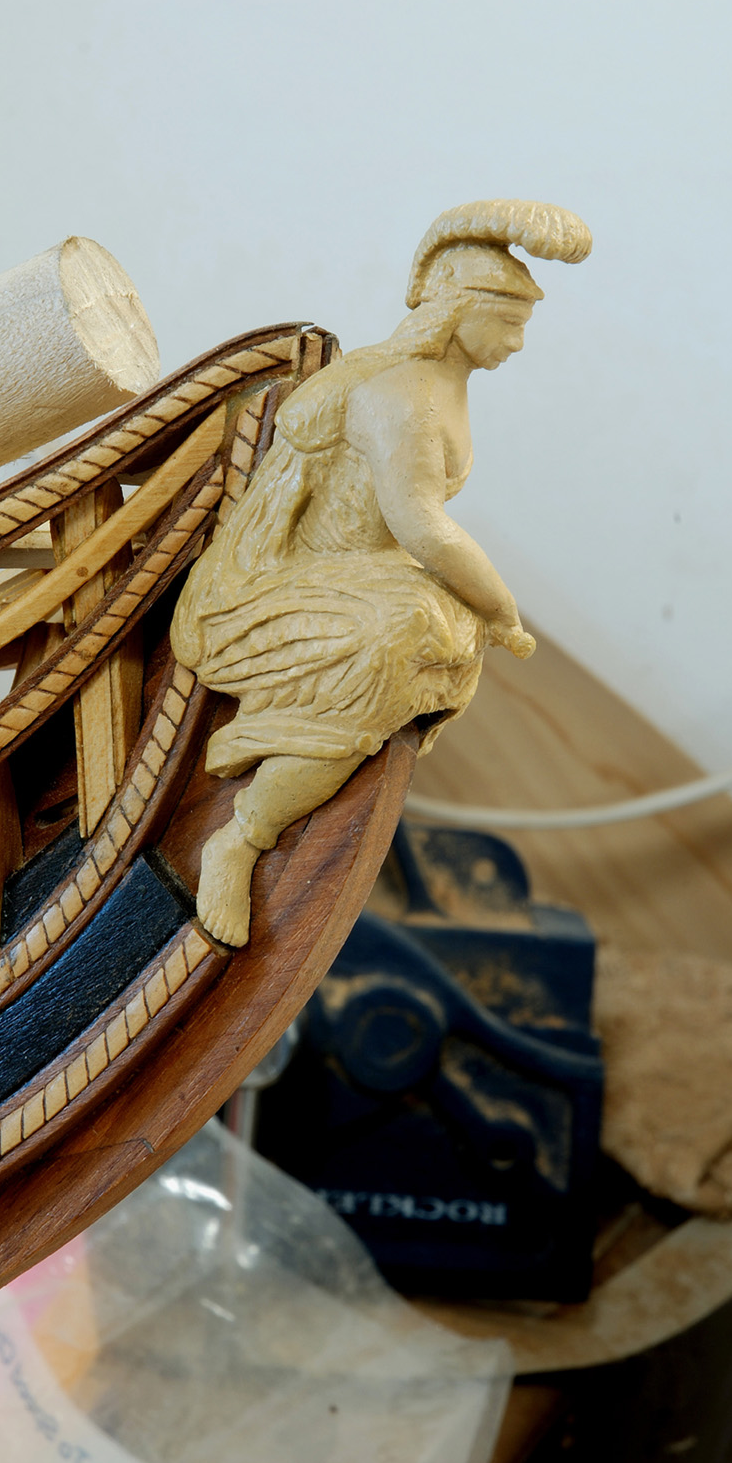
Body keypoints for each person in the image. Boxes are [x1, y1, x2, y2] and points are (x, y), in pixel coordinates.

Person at [171, 200, 591, 945]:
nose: (518, 344)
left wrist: (484, 614)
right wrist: (504, 611)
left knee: (444, 628)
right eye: (509, 323)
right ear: (461, 311)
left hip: (361, 571)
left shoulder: (440, 382)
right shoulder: (400, 395)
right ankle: (240, 838)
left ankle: (339, 790)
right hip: (267, 590)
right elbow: (421, 526)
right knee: (401, 636)